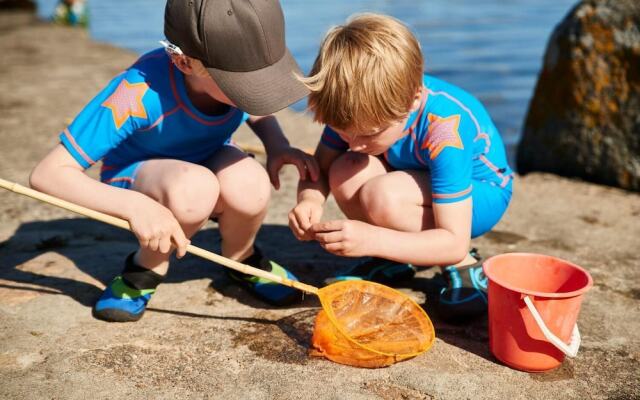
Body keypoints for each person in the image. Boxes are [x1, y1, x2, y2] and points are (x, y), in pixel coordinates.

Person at [30, 0, 318, 322]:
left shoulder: (227, 80)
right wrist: (134, 207)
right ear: (184, 62)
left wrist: (277, 145)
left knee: (251, 183)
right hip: (141, 177)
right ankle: (145, 267)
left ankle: (240, 258)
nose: (257, 92)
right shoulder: (137, 92)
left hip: (205, 157)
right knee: (194, 189)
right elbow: (48, 174)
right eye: (245, 86)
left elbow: (256, 102)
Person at [288, 13, 513, 321]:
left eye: (368, 134)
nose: (353, 143)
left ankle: (462, 264)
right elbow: (323, 169)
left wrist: (371, 239)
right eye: (343, 132)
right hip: (413, 179)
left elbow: (453, 236)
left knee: (385, 196)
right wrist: (310, 199)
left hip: (480, 195)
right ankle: (398, 258)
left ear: (412, 100)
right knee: (345, 170)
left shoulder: (446, 129)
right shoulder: (354, 109)